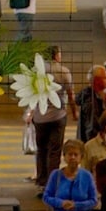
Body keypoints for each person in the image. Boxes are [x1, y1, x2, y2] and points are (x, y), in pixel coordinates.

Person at [44, 139, 100, 211]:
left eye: (76, 154)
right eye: (70, 154)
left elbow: (94, 200)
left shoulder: (87, 176)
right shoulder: (56, 175)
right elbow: (47, 197)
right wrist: (61, 203)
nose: (73, 157)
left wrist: (77, 206)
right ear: (64, 156)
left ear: (81, 157)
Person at [31, 46, 73, 186]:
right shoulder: (64, 71)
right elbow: (70, 94)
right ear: (56, 56)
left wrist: (30, 113)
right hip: (57, 116)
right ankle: (52, 181)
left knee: (41, 149)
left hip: (40, 118)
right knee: (55, 151)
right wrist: (74, 112)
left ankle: (41, 179)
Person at [78, 66, 106, 142]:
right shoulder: (91, 101)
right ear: (96, 80)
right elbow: (91, 128)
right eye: (105, 78)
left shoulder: (94, 97)